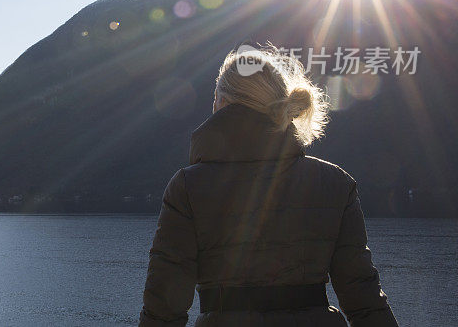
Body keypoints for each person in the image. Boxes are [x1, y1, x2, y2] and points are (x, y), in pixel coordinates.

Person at [139, 46, 398, 327]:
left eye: (214, 98)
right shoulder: (335, 182)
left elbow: (165, 302)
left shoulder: (188, 187)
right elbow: (363, 296)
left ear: (222, 103)